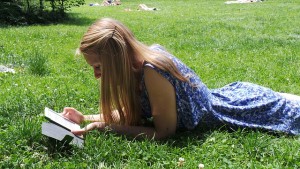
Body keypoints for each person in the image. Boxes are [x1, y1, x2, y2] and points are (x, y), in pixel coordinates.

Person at [62, 18, 300, 140]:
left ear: (117, 59)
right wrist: (85, 118)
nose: (96, 75)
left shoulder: (151, 70)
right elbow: (135, 112)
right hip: (232, 96)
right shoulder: (136, 66)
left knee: (291, 112)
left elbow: (164, 132)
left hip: (243, 109)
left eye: (99, 67)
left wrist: (107, 127)